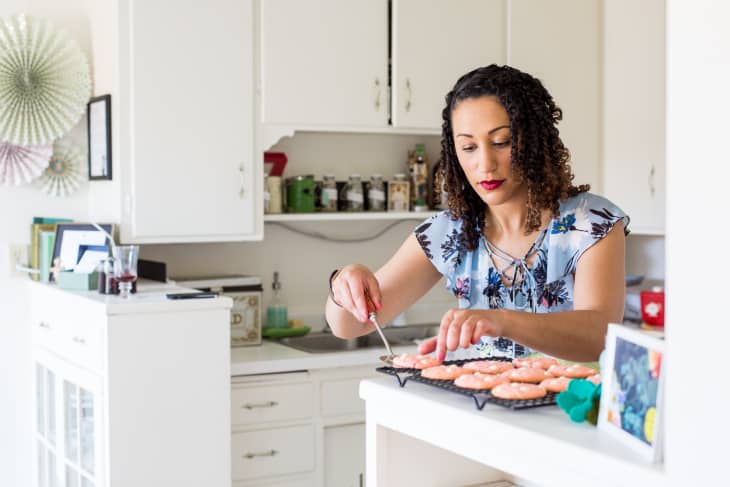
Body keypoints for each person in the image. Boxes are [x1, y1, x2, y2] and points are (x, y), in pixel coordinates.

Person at [325, 64, 628, 363]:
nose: (485, 163)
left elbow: (599, 335)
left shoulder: (592, 223)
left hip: (568, 410)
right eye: (468, 147)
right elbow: (350, 325)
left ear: (536, 140)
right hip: (480, 411)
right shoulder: (450, 233)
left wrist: (502, 321)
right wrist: (343, 284)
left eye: (501, 142)